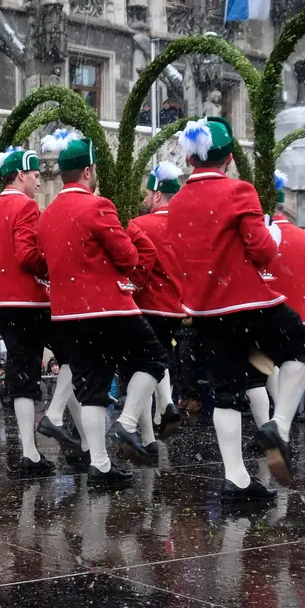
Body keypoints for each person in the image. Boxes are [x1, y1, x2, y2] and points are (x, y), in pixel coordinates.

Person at [167, 116, 305, 496]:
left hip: (204, 312)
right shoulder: (239, 191)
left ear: (191, 159)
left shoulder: (178, 201)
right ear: (229, 158)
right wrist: (269, 233)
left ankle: (236, 479)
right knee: (299, 348)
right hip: (248, 303)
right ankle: (278, 426)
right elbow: (263, 251)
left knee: (225, 392)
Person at [36, 129, 168, 485]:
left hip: (67, 314)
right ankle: (127, 424)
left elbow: (42, 262)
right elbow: (128, 257)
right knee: (154, 360)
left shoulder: (46, 215)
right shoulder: (98, 205)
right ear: (89, 172)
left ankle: (101, 465)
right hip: (108, 309)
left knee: (91, 387)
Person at [0, 145, 80, 475]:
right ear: (21, 175)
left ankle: (33, 451)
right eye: (35, 176)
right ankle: (51, 423)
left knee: (22, 372)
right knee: (75, 353)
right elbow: (27, 255)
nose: (37, 182)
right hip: (29, 299)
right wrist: (54, 267)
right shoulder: (26, 207)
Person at [127, 161, 187, 440]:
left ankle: (146, 427)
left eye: (147, 194)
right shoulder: (187, 227)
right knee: (158, 359)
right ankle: (165, 407)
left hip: (145, 304)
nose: (144, 199)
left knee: (142, 371)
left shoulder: (140, 224)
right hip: (176, 309)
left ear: (158, 194)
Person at [254, 179, 305, 432]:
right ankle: (282, 423)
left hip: (264, 315)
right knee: (292, 369)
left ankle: (269, 427)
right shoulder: (303, 237)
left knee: (257, 378)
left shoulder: (258, 235)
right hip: (297, 316)